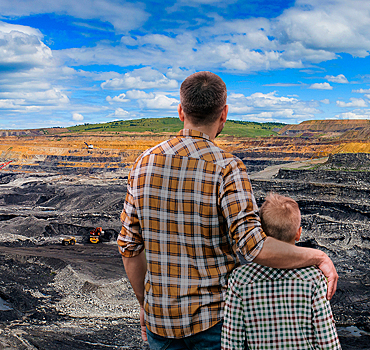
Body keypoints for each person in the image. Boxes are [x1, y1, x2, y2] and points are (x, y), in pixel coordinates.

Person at [118, 71, 338, 350]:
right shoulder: (227, 168)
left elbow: (129, 247)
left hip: (159, 323)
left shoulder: (143, 164)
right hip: (214, 324)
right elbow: (253, 246)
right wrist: (317, 256)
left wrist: (144, 304)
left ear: (180, 111)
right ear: (224, 114)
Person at [222, 192, 341, 349]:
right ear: (298, 233)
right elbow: (327, 342)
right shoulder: (315, 278)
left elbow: (232, 341)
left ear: (261, 233)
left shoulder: (240, 279)